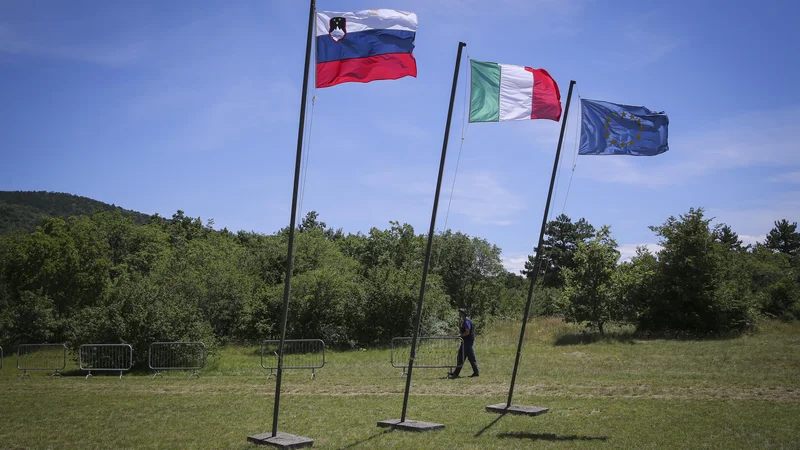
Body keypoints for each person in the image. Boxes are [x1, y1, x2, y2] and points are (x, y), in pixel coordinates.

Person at [448, 308, 479, 378]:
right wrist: (459, 322)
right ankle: (457, 373)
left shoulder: (467, 321)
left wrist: (459, 336)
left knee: (464, 356)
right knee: (466, 357)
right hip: (466, 341)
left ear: (463, 313)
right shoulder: (464, 321)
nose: (459, 314)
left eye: (460, 313)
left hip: (467, 341)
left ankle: (457, 373)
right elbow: (461, 329)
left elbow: (467, 332)